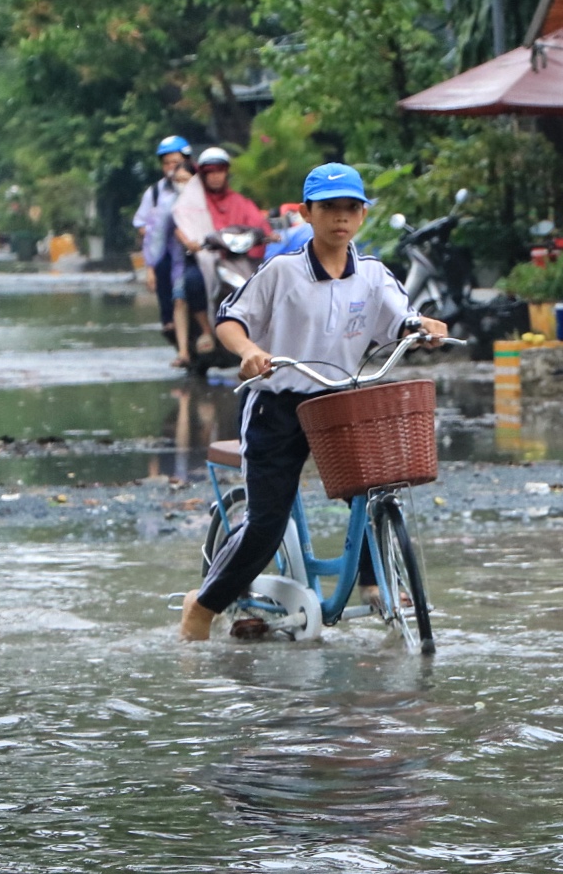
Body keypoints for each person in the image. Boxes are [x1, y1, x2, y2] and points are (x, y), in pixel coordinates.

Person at [179, 162, 448, 641]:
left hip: (337, 403)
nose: (339, 218)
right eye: (328, 208)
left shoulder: (372, 275)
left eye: (349, 208)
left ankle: (371, 583)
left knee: (370, 490)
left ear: (362, 215)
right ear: (307, 213)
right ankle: (202, 607)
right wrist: (250, 351)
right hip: (275, 406)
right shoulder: (282, 271)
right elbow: (229, 318)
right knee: (266, 524)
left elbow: (402, 319)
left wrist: (422, 328)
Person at [173, 147, 273, 357]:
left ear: (226, 172)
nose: (216, 176)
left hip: (238, 259)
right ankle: (207, 331)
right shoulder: (194, 203)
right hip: (205, 259)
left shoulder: (240, 201)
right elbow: (181, 225)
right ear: (203, 174)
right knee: (193, 281)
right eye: (210, 171)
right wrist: (190, 242)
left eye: (220, 170)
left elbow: (257, 222)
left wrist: (269, 233)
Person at [133, 135, 194, 367]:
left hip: (199, 249)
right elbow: (142, 224)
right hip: (168, 251)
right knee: (165, 272)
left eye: (176, 162)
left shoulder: (202, 188)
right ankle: (172, 328)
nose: (172, 168)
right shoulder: (157, 193)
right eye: (167, 163)